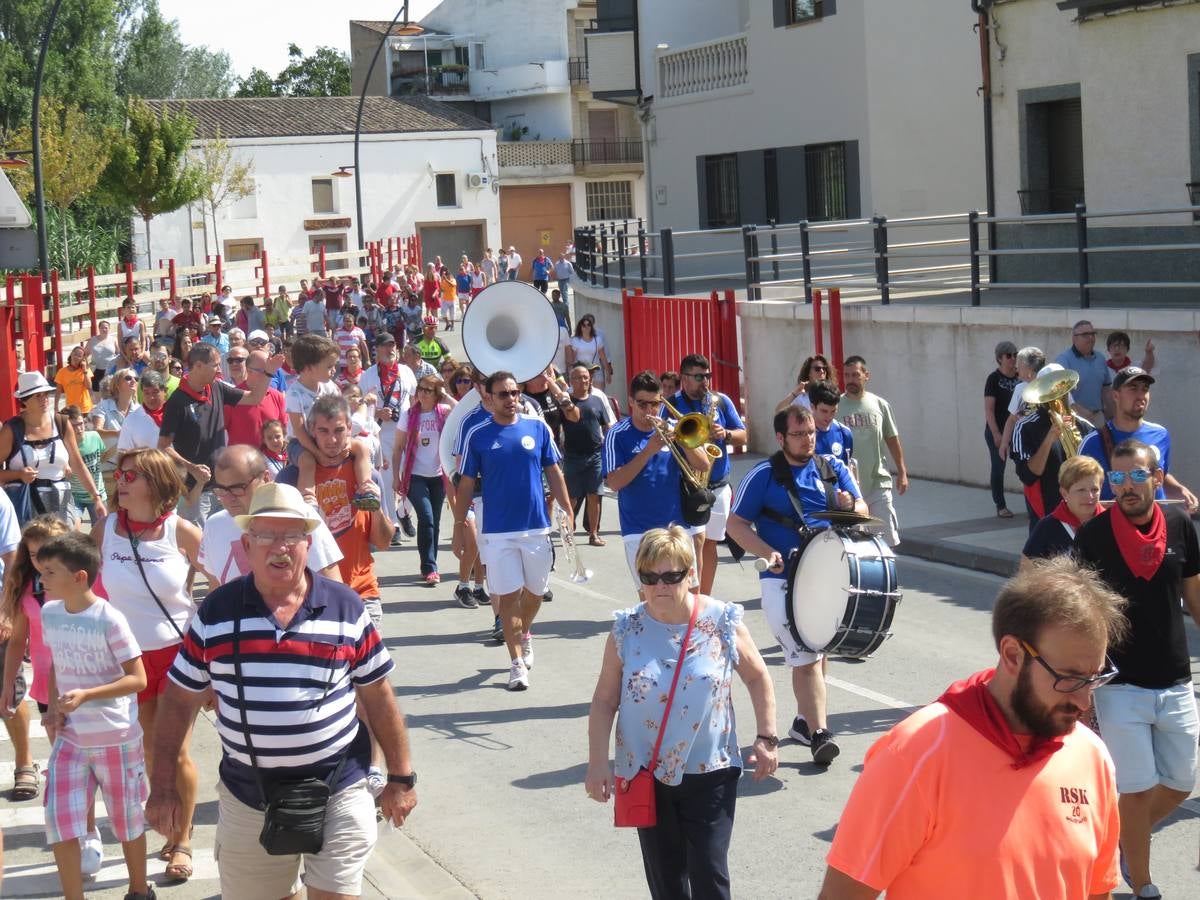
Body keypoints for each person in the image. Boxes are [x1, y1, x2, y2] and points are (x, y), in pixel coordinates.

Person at [145, 481, 417, 900]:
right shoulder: (217, 613)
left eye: (291, 535)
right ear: (247, 543)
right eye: (267, 535)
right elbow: (179, 702)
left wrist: (400, 777)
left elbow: (378, 695)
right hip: (248, 793)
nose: (280, 547)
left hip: (340, 784)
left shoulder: (346, 607)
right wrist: (162, 789)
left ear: (308, 543)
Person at [818, 555, 1125, 900]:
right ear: (1012, 655)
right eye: (1069, 679)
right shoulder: (915, 754)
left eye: (1094, 678)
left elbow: (1097, 890)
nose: (1084, 703)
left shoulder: (1091, 755)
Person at [585, 526, 778, 900]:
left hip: (711, 770)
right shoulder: (627, 628)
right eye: (650, 577)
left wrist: (767, 737)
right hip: (646, 772)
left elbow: (757, 677)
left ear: (691, 574)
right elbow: (605, 700)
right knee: (667, 881)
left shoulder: (722, 621)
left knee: (709, 875)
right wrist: (597, 763)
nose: (661, 586)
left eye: (672, 576)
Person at [1073, 439, 1200, 900]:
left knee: (1181, 783)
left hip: (1176, 678)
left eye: (1137, 475)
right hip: (1119, 685)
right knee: (1138, 787)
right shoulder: (1094, 535)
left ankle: (1123, 836)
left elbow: (1194, 596)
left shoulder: (1183, 525)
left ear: (1157, 476)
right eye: (1118, 477)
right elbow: (1083, 611)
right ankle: (1143, 883)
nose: (1126, 486)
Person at [726, 406, 865, 766]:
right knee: (807, 657)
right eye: (799, 434)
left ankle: (804, 724)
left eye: (811, 434)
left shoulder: (831, 468)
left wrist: (853, 505)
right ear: (781, 438)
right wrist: (768, 551)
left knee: (819, 650)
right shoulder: (763, 475)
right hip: (782, 582)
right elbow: (735, 524)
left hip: (828, 577)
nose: (808, 440)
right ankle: (820, 733)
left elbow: (862, 509)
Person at [91, 447, 202, 883]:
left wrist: (216, 663)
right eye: (119, 474)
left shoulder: (183, 532)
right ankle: (167, 823)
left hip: (178, 658)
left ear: (156, 483)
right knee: (150, 751)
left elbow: (224, 583)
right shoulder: (104, 530)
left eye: (132, 475)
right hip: (128, 661)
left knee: (175, 752)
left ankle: (183, 842)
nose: (121, 481)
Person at [37, 532, 153, 900]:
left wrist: (88, 694)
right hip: (71, 739)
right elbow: (57, 661)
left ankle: (138, 890)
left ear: (79, 577)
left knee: (127, 820)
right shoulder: (50, 613)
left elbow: (138, 678)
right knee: (60, 822)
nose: (42, 580)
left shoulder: (109, 619)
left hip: (115, 738)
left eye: (50, 572)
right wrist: (55, 707)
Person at [453, 371, 572, 691]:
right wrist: (457, 524)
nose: (511, 399)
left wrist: (567, 508)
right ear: (488, 398)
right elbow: (465, 484)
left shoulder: (537, 428)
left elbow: (554, 471)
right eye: (503, 394)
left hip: (535, 527)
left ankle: (525, 632)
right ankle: (516, 662)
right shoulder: (477, 434)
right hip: (497, 532)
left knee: (534, 593)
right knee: (508, 598)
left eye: (515, 393)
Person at [603, 371, 712, 589]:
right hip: (638, 530)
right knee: (651, 601)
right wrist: (648, 451)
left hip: (677, 526)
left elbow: (703, 464)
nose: (649, 411)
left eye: (655, 404)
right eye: (642, 404)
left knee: (690, 593)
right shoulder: (618, 434)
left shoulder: (672, 427)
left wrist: (680, 439)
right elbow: (614, 483)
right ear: (631, 402)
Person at [157, 342, 280, 528]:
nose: (219, 368)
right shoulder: (177, 401)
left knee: (226, 535)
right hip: (194, 489)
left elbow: (255, 398)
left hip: (223, 486)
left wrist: (269, 373)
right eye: (215, 364)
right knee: (196, 545)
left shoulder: (217, 388)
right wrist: (192, 468)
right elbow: (163, 446)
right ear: (198, 365)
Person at [1, 516, 72, 809]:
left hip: (85, 683)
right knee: (64, 758)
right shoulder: (26, 586)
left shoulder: (82, 578)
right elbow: (17, 641)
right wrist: (7, 684)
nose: (40, 562)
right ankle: (75, 823)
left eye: (46, 552)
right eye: (32, 555)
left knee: (89, 758)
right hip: (46, 688)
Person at [198, 448, 342, 586]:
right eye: (221, 490)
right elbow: (216, 585)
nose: (229, 498)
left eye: (238, 488)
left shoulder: (300, 516)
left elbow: (332, 584)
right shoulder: (214, 525)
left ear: (266, 478)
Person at [668, 353, 748, 595]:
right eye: (699, 377)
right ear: (684, 378)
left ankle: (704, 597)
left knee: (710, 543)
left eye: (708, 376)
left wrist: (725, 434)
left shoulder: (720, 401)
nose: (706, 382)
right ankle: (685, 596)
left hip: (717, 484)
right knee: (689, 543)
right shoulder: (672, 405)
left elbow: (744, 435)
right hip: (685, 485)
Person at [1078, 366, 1198, 511]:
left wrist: (1179, 490)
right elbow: (1079, 497)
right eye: (1133, 389)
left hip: (1158, 527)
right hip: (1112, 529)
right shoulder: (1092, 442)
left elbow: (1159, 475)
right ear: (1115, 396)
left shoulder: (1161, 435)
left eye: (1145, 389)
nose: (1141, 395)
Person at [1, 372, 107, 526]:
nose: (44, 399)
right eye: (37, 396)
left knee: (62, 547)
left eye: (46, 394)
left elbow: (78, 464)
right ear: (24, 401)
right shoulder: (11, 430)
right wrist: (18, 474)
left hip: (61, 504)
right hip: (24, 508)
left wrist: (96, 498)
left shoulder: (61, 423)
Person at [837, 356, 907, 546]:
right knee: (855, 544)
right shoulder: (835, 407)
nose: (850, 380)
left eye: (855, 375)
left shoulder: (880, 405)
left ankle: (889, 575)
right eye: (846, 375)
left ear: (866, 376)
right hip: (848, 488)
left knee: (886, 542)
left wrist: (902, 472)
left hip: (878, 484)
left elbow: (892, 439)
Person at [394, 373, 452, 586]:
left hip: (438, 476)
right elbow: (398, 447)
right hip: (415, 475)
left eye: (428, 390)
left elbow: (462, 412)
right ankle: (430, 567)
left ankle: (429, 563)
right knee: (426, 518)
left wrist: (445, 396)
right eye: (421, 389)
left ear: (436, 394)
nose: (422, 393)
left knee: (434, 523)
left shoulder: (444, 412)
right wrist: (395, 478)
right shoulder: (409, 415)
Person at [1011, 363, 1080, 529]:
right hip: (1047, 517)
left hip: (1081, 515)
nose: (1058, 395)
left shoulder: (1083, 426)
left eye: (1062, 387)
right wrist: (1049, 438)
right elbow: (1028, 476)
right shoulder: (1025, 427)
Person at [360, 333, 417, 533]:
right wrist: (377, 412)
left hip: (406, 432)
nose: (390, 349)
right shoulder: (367, 376)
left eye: (392, 345)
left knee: (410, 476)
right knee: (386, 478)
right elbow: (360, 407)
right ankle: (392, 524)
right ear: (376, 350)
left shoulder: (406, 372)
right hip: (381, 434)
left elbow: (415, 399)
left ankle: (403, 511)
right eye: (385, 346)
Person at [561, 363, 612, 546]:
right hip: (573, 456)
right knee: (572, 498)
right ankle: (567, 532)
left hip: (595, 455)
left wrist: (610, 448)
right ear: (571, 381)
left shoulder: (597, 400)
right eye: (578, 377)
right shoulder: (565, 402)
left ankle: (594, 534)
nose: (583, 380)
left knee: (594, 495)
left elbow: (607, 426)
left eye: (585, 377)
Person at [1020, 455, 1104, 568]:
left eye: (1095, 489)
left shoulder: (1110, 523)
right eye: (1081, 490)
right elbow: (1025, 573)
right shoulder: (1047, 527)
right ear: (1064, 493)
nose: (1089, 496)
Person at [223, 348, 286, 450]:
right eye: (264, 371)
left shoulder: (277, 396)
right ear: (248, 370)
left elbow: (284, 430)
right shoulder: (233, 397)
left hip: (271, 462)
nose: (269, 375)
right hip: (243, 462)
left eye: (270, 371)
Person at [1056, 320, 1114, 429]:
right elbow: (1061, 394)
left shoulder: (1100, 358)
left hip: (1098, 418)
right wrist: (1081, 412)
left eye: (1092, 334)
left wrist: (1113, 416)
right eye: (1086, 335)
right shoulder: (1064, 360)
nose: (1091, 338)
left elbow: (1106, 390)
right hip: (1074, 418)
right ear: (1074, 338)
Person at [984, 340, 1019, 518]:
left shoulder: (1021, 377)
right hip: (997, 430)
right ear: (1000, 358)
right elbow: (989, 409)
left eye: (1015, 354)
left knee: (1026, 466)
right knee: (998, 468)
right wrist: (997, 434)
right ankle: (1000, 505)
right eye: (1009, 355)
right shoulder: (993, 379)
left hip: (1018, 432)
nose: (1013, 358)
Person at [998, 345, 1047, 464]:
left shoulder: (1051, 386)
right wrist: (1004, 443)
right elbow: (1012, 419)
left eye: (1019, 365)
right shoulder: (1020, 389)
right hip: (1027, 446)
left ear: (1029, 370)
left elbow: (1069, 411)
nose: (1016, 368)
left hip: (1049, 442)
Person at [63, 406, 106, 524]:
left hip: (98, 493)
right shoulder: (63, 445)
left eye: (81, 423)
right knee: (73, 528)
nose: (79, 428)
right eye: (73, 426)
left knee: (101, 532)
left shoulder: (94, 436)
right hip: (75, 496)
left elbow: (102, 456)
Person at [116, 371, 167, 454]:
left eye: (155, 392)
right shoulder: (131, 420)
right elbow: (124, 452)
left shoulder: (177, 414)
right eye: (146, 393)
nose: (151, 397)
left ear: (165, 391)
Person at [808, 380, 854, 468]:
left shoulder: (845, 433)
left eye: (833, 411)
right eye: (824, 411)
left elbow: (847, 469)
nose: (829, 416)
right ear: (813, 407)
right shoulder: (801, 434)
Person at [54, 344, 94, 414]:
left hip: (85, 408)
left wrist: (84, 371)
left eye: (79, 356)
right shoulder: (62, 372)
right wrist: (56, 406)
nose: (76, 357)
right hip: (71, 409)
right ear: (71, 354)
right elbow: (58, 391)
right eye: (75, 354)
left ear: (82, 359)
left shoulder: (86, 370)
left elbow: (89, 386)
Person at [86, 320, 120, 394]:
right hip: (95, 370)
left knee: (110, 391)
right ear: (99, 328)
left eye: (106, 328)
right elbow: (85, 355)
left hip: (110, 370)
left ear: (109, 329)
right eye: (102, 328)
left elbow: (118, 354)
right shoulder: (92, 340)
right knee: (96, 392)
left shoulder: (114, 340)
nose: (104, 329)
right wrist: (86, 367)